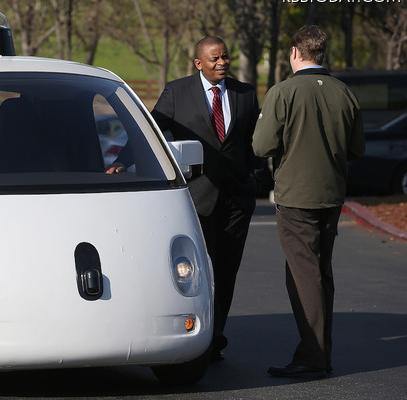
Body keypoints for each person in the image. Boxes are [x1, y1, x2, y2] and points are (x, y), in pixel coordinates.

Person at [108, 36, 260, 362]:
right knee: (200, 273)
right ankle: (199, 338)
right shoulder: (177, 92)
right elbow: (150, 130)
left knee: (227, 270)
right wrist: (124, 160)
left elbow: (253, 143)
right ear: (199, 63)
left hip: (237, 199)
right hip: (199, 198)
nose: (222, 63)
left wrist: (256, 178)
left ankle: (215, 337)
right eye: (215, 58)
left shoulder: (246, 94)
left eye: (226, 57)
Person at [252, 25, 365, 378]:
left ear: (295, 53)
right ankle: (319, 353)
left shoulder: (283, 92)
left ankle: (313, 357)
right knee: (319, 273)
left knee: (304, 276)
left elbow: (261, 146)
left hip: (296, 196)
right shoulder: (344, 92)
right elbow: (357, 149)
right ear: (321, 53)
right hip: (332, 193)